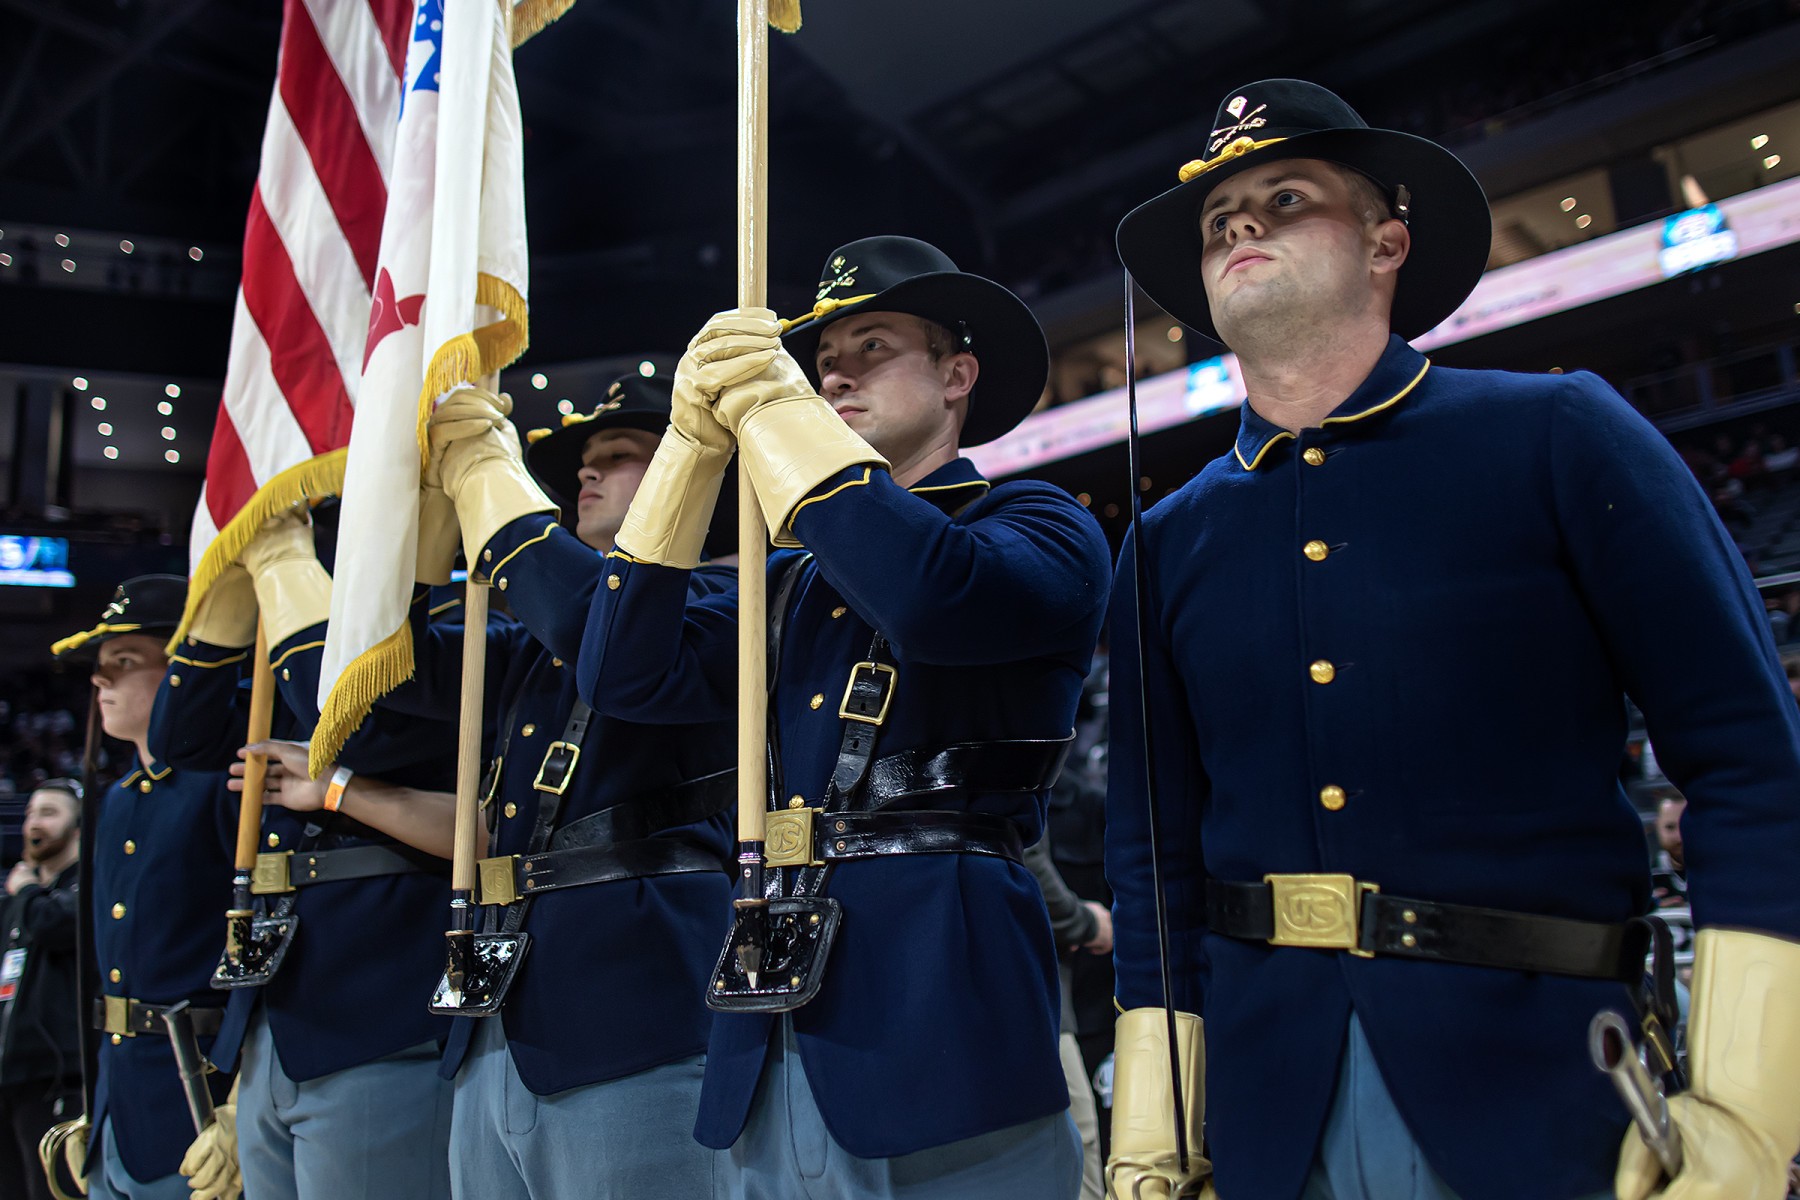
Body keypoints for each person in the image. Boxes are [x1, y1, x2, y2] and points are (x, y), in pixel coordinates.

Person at [1106, 78, 1800, 1200]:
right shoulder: (1164, 540)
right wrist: (1153, 1129)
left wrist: (1748, 1106)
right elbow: (1153, 860)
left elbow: (1752, 761)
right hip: (1264, 1105)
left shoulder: (1559, 432)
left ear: (1387, 243)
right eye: (1217, 219)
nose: (1238, 226)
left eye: (1286, 200)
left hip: (1550, 1088)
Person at [580, 235, 1111, 1198]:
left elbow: (928, 595)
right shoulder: (787, 581)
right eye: (822, 362)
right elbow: (621, 677)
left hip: (941, 1014)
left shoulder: (1037, 521)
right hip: (766, 1023)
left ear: (957, 376)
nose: (833, 375)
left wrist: (781, 415)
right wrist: (688, 456)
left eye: (873, 348)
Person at [235, 370, 738, 1199]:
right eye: (586, 459)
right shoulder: (529, 644)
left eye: (618, 454)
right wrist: (428, 526)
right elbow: (388, 671)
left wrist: (485, 473)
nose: (586, 470)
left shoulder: (727, 594)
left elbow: (601, 628)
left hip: (632, 1014)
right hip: (501, 1015)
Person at [145, 509, 460, 1200]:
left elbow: (359, 726)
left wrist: (338, 788)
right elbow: (180, 740)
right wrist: (230, 596)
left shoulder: (446, 619)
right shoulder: (289, 659)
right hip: (274, 1020)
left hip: (375, 1013)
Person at [50, 577, 237, 1200]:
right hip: (117, 1102)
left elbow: (262, 953)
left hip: (199, 1096)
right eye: (100, 665)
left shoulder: (226, 785)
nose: (100, 679)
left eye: (125, 660)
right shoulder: (118, 799)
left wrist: (242, 1099)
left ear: (183, 671)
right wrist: (95, 1104)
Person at [0, 780, 82, 1200]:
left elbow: (56, 924)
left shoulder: (87, 886)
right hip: (12, 1075)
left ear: (78, 828)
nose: (34, 822)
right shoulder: (19, 900)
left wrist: (27, 890)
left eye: (49, 813)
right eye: (31, 813)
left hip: (60, 1078)